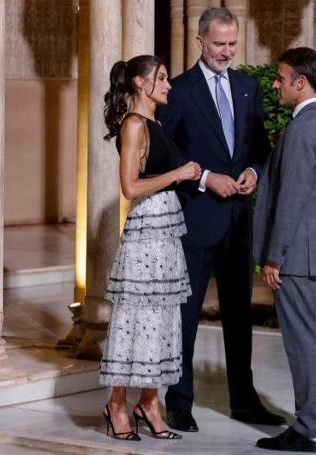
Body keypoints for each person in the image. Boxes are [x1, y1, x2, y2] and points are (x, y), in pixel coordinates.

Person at [157, 7, 284, 432]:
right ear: (200, 42)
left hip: (237, 221)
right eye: (219, 44)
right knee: (186, 315)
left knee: (238, 316)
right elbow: (167, 155)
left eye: (232, 44)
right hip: (195, 220)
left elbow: (260, 147)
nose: (227, 52)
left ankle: (244, 402)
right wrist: (206, 178)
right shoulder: (178, 90)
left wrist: (252, 171)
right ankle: (179, 403)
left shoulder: (249, 87)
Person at [99, 55, 202, 442]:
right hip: (145, 233)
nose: (169, 84)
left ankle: (150, 402)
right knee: (135, 317)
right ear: (140, 84)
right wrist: (178, 173)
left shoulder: (156, 123)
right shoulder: (134, 124)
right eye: (161, 78)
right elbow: (130, 187)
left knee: (160, 319)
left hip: (165, 229)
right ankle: (117, 404)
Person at [253, 47, 316, 453]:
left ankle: (308, 430)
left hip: (297, 256)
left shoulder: (302, 128)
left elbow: (290, 197)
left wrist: (275, 255)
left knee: (304, 342)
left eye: (280, 77)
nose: (275, 84)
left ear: (300, 82)